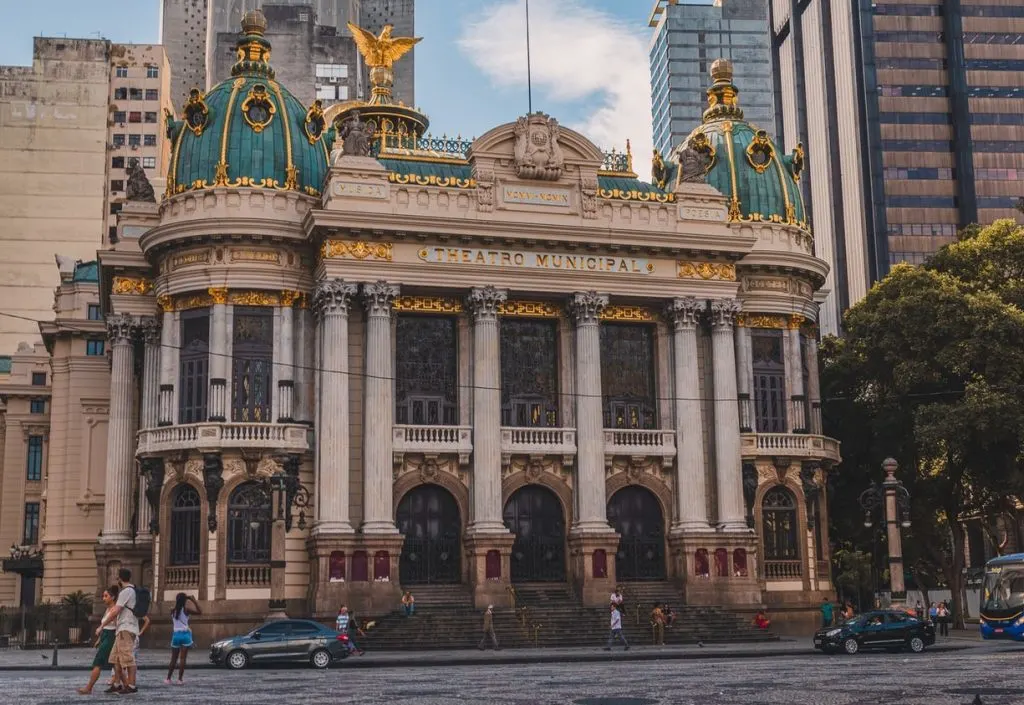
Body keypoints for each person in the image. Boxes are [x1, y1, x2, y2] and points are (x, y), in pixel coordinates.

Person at [96, 568, 140, 695]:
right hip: (122, 628)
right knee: (115, 658)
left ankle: (131, 686)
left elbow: (115, 611)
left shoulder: (126, 591)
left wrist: (102, 625)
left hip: (126, 628)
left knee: (128, 658)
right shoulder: (132, 590)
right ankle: (116, 684)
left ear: (120, 579)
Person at [78, 585, 119, 695]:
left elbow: (116, 626)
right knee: (115, 663)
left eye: (106, 596)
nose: (103, 598)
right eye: (103, 596)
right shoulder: (108, 609)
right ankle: (124, 685)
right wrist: (99, 639)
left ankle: (89, 687)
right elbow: (105, 626)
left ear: (113, 597)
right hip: (105, 636)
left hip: (110, 637)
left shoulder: (115, 609)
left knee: (98, 662)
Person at [166, 593, 201, 685]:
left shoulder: (172, 610)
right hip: (185, 635)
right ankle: (179, 680)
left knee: (173, 659)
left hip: (176, 635)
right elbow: (200, 612)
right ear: (185, 601)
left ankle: (168, 679)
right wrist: (193, 601)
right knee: (182, 659)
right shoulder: (186, 610)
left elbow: (176, 608)